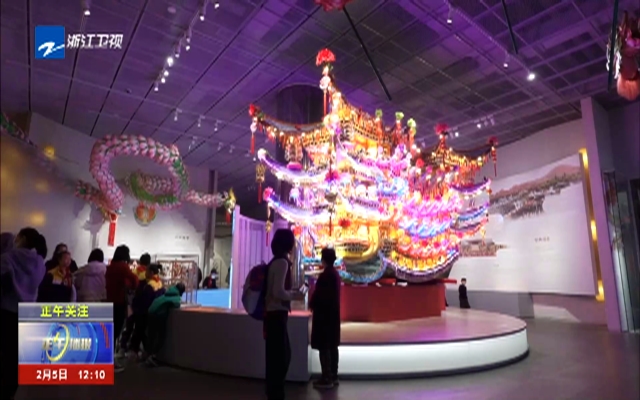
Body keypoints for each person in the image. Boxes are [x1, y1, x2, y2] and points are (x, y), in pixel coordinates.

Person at [1, 227, 47, 400]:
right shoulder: (40, 263)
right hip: (27, 316)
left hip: (7, 312)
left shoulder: (8, 258)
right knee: (16, 359)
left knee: (4, 355)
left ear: (23, 238)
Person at [264, 229, 306, 400]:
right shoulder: (282, 263)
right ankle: (276, 393)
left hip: (272, 314)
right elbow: (278, 291)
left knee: (275, 356)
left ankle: (273, 392)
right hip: (277, 314)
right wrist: (295, 295)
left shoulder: (275, 261)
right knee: (281, 357)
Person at [309, 247, 341, 389]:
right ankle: (333, 376)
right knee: (332, 346)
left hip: (324, 317)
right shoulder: (335, 274)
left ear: (323, 259)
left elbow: (319, 295)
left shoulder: (325, 275)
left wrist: (312, 304)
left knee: (325, 346)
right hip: (333, 315)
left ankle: (326, 378)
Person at [105, 245, 139, 371]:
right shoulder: (123, 267)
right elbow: (134, 280)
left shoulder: (110, 267)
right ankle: (111, 361)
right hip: (119, 302)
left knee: (109, 332)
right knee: (115, 332)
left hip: (108, 301)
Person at [127, 263, 165, 361]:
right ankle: (147, 353)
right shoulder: (159, 283)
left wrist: (135, 308)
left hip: (143, 312)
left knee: (139, 331)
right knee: (146, 334)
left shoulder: (149, 285)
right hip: (153, 312)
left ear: (151, 272)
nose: (145, 273)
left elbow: (144, 300)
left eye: (147, 271)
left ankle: (138, 352)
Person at [145, 282, 186, 366]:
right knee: (161, 337)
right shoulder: (175, 297)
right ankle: (153, 356)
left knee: (151, 336)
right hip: (159, 316)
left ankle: (148, 355)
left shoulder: (164, 294)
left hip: (150, 314)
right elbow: (176, 305)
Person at [119, 253, 151, 356]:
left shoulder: (133, 272)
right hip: (141, 306)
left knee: (128, 326)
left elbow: (126, 287)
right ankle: (136, 349)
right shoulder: (147, 275)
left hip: (130, 303)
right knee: (140, 328)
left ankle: (122, 347)